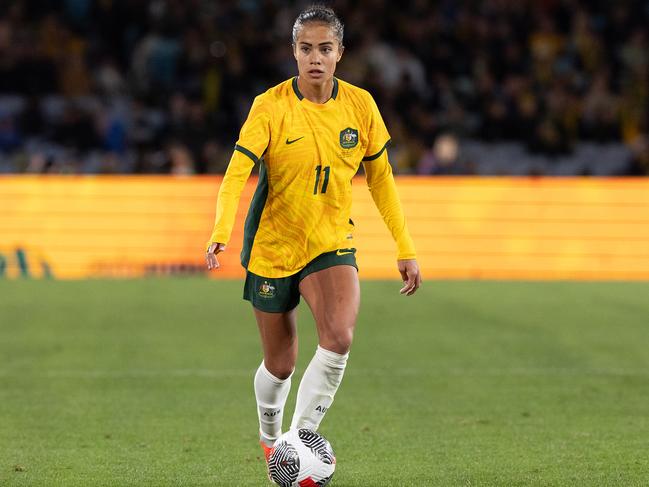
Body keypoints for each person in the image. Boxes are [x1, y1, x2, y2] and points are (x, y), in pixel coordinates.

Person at [204, 4, 421, 473]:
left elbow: (381, 179)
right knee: (280, 364)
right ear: (294, 53)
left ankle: (298, 440)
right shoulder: (270, 106)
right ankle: (270, 438)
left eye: (325, 48)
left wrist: (404, 246)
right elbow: (236, 172)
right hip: (273, 245)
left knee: (339, 336)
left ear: (340, 53)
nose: (315, 58)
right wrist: (222, 229)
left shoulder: (361, 106)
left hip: (330, 242)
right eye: (306, 49)